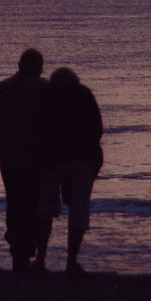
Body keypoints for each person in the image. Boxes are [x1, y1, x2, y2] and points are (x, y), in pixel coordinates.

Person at [0, 48, 47, 272]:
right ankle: (33, 252)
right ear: (37, 67)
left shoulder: (3, 88)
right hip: (37, 157)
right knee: (36, 202)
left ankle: (19, 251)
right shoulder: (45, 88)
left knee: (16, 202)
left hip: (10, 156)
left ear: (19, 65)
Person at [34, 67, 103, 275]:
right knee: (79, 208)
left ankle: (40, 259)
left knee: (46, 207)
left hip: (52, 159)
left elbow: (37, 129)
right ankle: (71, 262)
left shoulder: (47, 95)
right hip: (82, 159)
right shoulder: (84, 94)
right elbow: (97, 128)